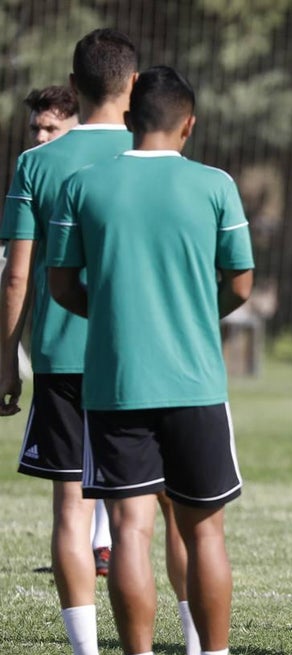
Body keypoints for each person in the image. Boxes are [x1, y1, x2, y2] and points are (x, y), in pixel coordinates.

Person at [49, 63, 255, 655]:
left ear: (130, 119)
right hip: (196, 382)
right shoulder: (215, 185)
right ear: (189, 123)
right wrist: (196, 313)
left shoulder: (82, 184)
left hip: (115, 385)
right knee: (206, 533)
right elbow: (241, 284)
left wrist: (113, 314)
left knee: (129, 530)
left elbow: (61, 285)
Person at [17, 85, 116, 577]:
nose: (40, 135)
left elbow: (16, 274)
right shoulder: (145, 153)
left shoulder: (36, 168)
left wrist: (6, 354)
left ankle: (86, 654)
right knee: (141, 499)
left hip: (64, 350)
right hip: (131, 352)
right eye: (35, 126)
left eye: (51, 126)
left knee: (70, 499)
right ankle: (198, 651)